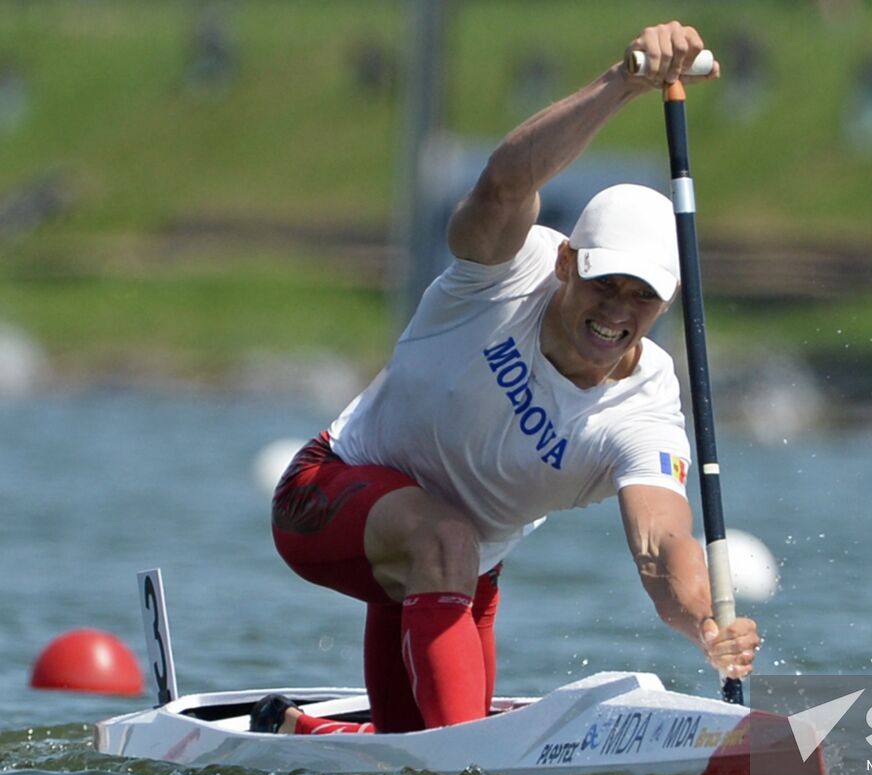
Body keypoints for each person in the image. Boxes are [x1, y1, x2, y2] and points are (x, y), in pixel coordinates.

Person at [256, 22, 760, 735]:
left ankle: (305, 733)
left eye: (640, 295)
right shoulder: (505, 270)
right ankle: (467, 765)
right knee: (450, 555)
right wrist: (623, 82)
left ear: (665, 304)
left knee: (412, 764)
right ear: (564, 264)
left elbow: (661, 545)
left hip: (457, 577)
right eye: (602, 282)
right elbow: (506, 181)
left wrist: (706, 620)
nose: (617, 310)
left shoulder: (645, 406)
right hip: (326, 495)